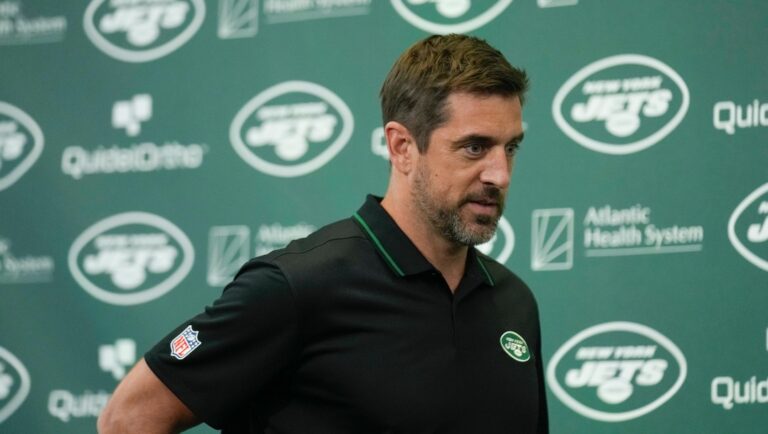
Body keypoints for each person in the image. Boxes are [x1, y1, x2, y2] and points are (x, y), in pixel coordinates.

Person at [98, 34, 548, 434]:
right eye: (474, 147)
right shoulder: (296, 286)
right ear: (402, 147)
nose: (500, 174)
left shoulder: (514, 302)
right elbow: (129, 418)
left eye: (511, 148)